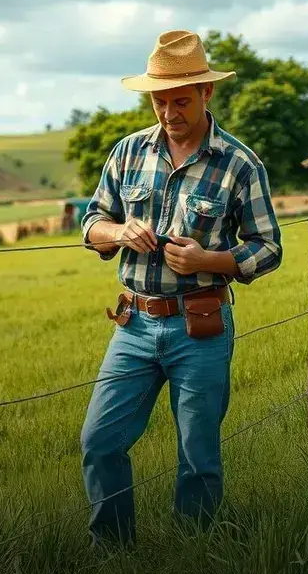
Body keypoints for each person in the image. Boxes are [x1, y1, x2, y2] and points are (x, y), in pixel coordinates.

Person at [78, 29, 284, 547]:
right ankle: (114, 552)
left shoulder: (240, 163)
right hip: (133, 324)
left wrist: (209, 259)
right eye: (160, 100)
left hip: (202, 325)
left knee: (198, 456)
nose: (169, 112)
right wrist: (119, 232)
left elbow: (268, 247)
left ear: (207, 94)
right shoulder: (127, 154)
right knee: (99, 441)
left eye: (180, 100)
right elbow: (92, 223)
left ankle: (195, 552)